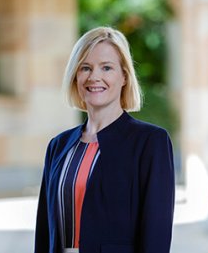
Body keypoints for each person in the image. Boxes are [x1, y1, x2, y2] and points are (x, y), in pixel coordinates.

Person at [34, 26, 175, 253]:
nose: (94, 77)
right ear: (75, 76)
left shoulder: (150, 143)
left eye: (106, 67)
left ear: (124, 77)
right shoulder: (58, 146)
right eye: (85, 68)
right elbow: (44, 233)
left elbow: (156, 234)